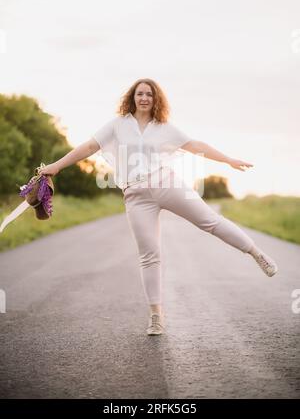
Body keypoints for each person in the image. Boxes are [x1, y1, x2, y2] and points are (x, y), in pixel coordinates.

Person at [39, 78, 278, 336]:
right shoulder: (117, 125)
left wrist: (228, 160)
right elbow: (88, 147)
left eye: (149, 95)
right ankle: (156, 316)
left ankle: (256, 253)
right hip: (136, 195)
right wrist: (56, 166)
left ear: (156, 100)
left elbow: (196, 146)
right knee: (149, 254)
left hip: (166, 183)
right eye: (140, 94)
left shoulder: (164, 127)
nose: (144, 98)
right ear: (132, 98)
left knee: (210, 221)